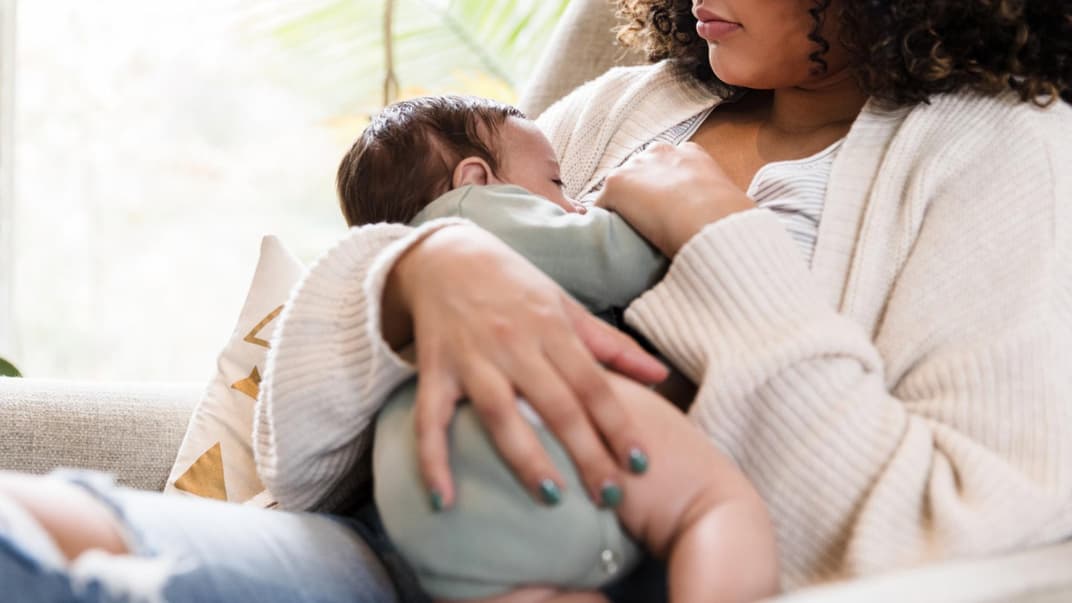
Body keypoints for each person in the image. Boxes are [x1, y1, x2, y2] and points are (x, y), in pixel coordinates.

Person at [1, 0, 1069, 601]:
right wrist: (414, 279)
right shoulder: (631, 102)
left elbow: (959, 535)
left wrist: (713, 242)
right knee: (43, 531)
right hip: (392, 547)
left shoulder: (1008, 155)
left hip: (614, 573)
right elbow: (296, 456)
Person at [334, 93, 777, 602]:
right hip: (530, 425)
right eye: (557, 184)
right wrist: (662, 199)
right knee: (714, 504)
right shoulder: (471, 216)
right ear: (475, 179)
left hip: (423, 494)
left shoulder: (389, 270)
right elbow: (617, 258)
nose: (575, 204)